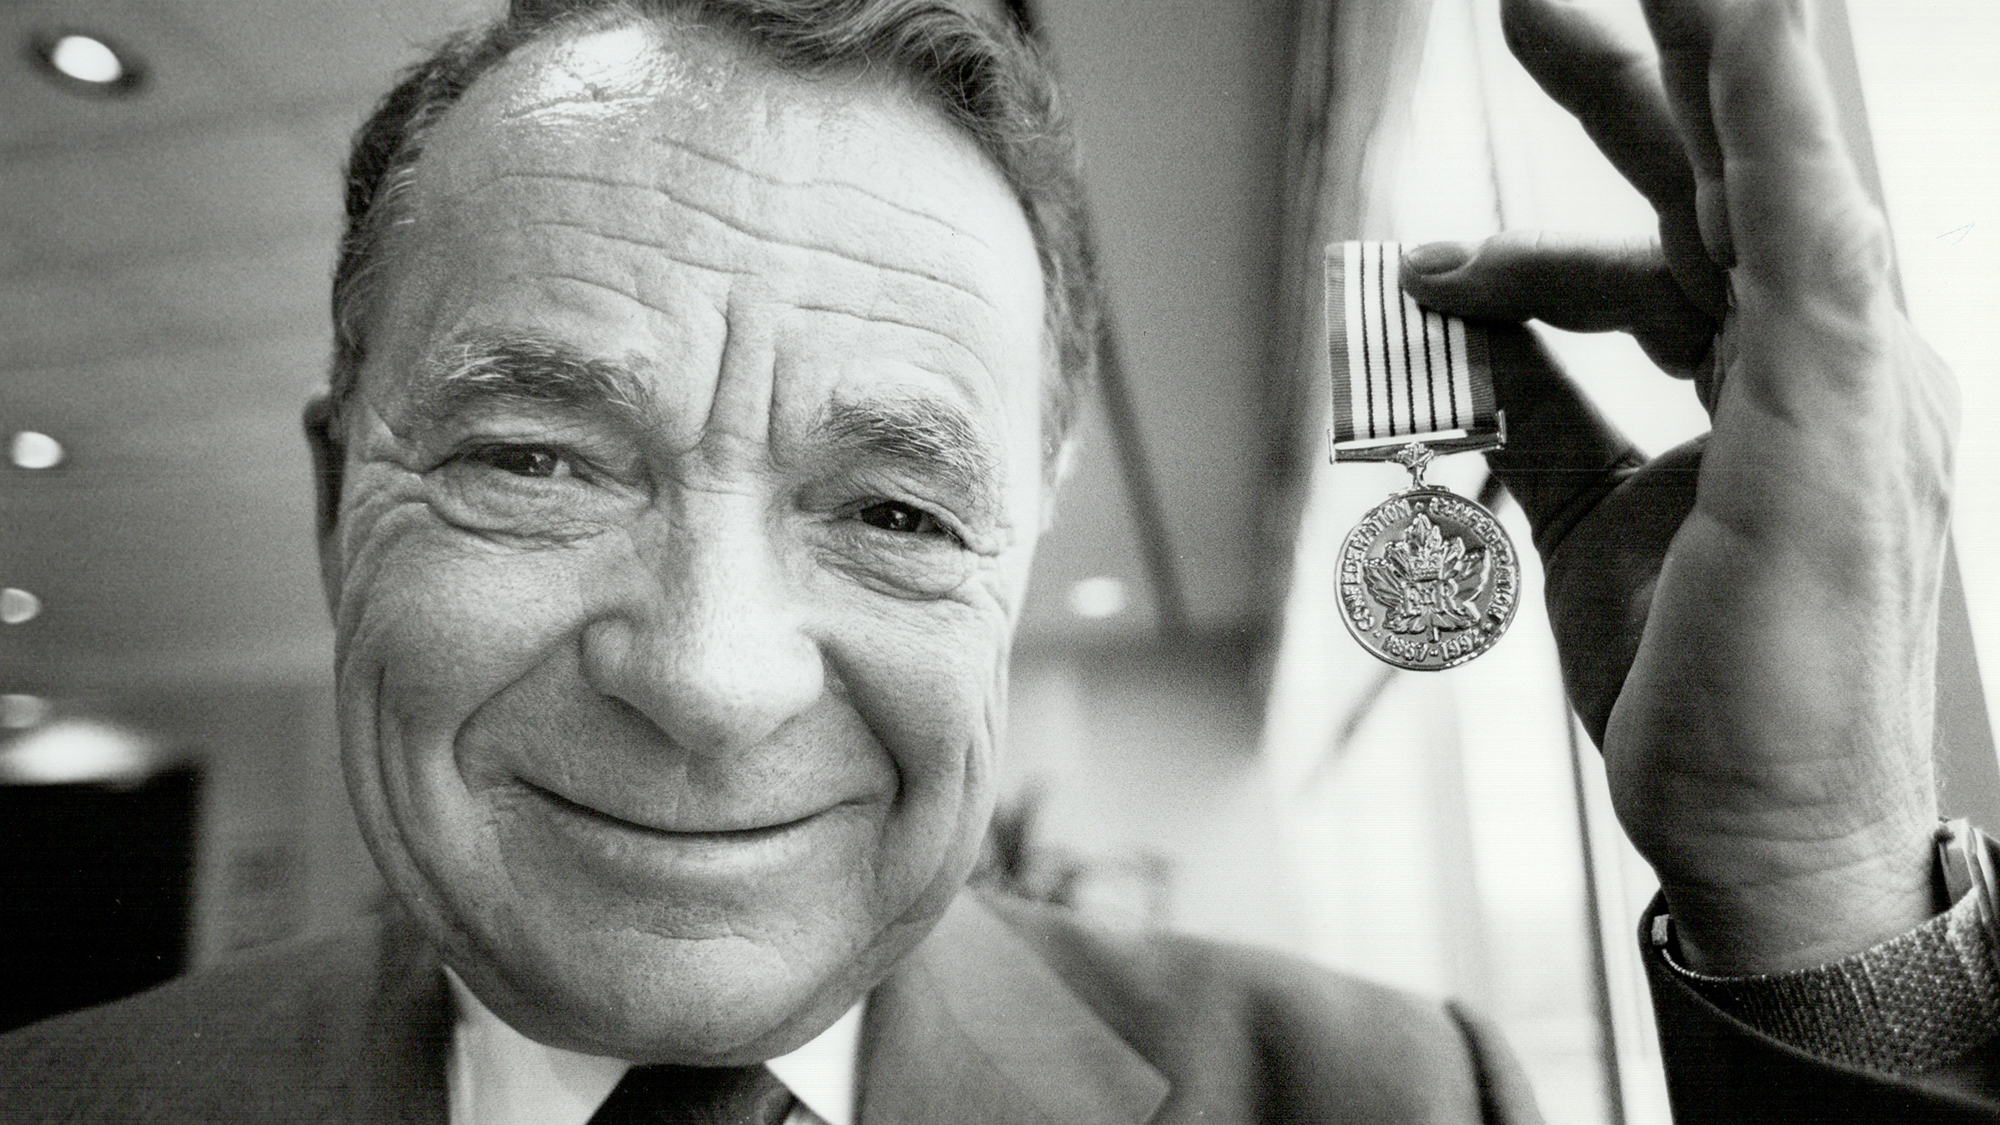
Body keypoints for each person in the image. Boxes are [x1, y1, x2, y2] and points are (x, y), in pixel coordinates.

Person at [2, 0, 1995, 1120]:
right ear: (337, 502)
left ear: (1021, 561)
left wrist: (1807, 884)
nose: (710, 675)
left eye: (894, 508)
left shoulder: (1376, 1097)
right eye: (533, 458)